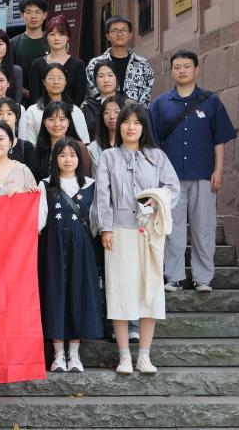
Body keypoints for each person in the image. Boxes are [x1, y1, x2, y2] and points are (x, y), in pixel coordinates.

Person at [96, 103, 179, 375]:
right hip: (119, 230)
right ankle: (124, 356)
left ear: (144, 127)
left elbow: (172, 187)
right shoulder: (109, 157)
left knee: (150, 290)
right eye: (126, 121)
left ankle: (144, 355)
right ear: (118, 126)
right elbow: (102, 195)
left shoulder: (157, 156)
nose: (130, 127)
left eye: (136, 122)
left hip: (150, 231)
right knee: (119, 291)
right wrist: (106, 228)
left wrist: (155, 202)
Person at [149, 50, 236, 294]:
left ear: (196, 69)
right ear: (172, 71)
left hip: (204, 174)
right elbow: (154, 144)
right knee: (172, 229)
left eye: (187, 66)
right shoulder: (160, 104)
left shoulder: (211, 101)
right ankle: (174, 276)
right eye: (177, 67)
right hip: (171, 179)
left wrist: (219, 170)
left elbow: (219, 139)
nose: (182, 71)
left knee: (204, 228)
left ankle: (203, 277)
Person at [37, 137, 104, 373]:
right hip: (52, 249)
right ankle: (58, 354)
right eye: (62, 155)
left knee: (79, 294)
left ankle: (74, 354)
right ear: (54, 158)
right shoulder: (44, 185)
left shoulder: (91, 185)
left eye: (72, 155)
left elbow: (96, 220)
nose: (68, 160)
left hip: (82, 248)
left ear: (80, 158)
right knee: (55, 294)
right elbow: (38, 221)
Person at [86, 15, 155, 106]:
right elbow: (92, 92)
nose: (119, 34)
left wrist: (133, 112)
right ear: (107, 35)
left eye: (124, 30)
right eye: (114, 31)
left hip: (134, 113)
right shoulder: (95, 64)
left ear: (130, 35)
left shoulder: (143, 64)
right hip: (104, 113)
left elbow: (146, 94)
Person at [25, 63, 91, 144]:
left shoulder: (75, 111)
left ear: (65, 82)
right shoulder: (33, 111)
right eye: (51, 78)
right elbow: (30, 143)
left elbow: (83, 142)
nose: (56, 82)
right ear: (44, 82)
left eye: (60, 78)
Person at [29, 16, 87, 106]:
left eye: (61, 34)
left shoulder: (78, 64)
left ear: (68, 37)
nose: (56, 38)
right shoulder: (37, 64)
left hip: (71, 112)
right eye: (52, 34)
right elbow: (34, 97)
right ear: (46, 37)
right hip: (42, 113)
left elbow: (79, 97)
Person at [32, 101, 93, 182]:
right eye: (51, 119)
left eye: (62, 119)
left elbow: (86, 180)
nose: (57, 124)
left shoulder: (80, 148)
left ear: (68, 122)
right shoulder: (37, 150)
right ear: (44, 122)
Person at [9, 0, 49, 104]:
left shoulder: (52, 41)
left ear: (45, 15)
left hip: (50, 100)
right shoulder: (13, 43)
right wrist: (27, 93)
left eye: (38, 12)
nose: (33, 16)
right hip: (21, 101)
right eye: (29, 12)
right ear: (22, 15)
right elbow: (8, 74)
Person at [82, 62, 123, 142]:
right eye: (101, 76)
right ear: (95, 80)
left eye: (110, 75)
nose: (106, 80)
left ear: (116, 78)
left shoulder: (127, 104)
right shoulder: (87, 106)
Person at [88, 96, 124, 176]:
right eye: (107, 112)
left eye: (117, 112)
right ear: (102, 117)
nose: (112, 116)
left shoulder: (131, 144)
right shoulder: (94, 148)